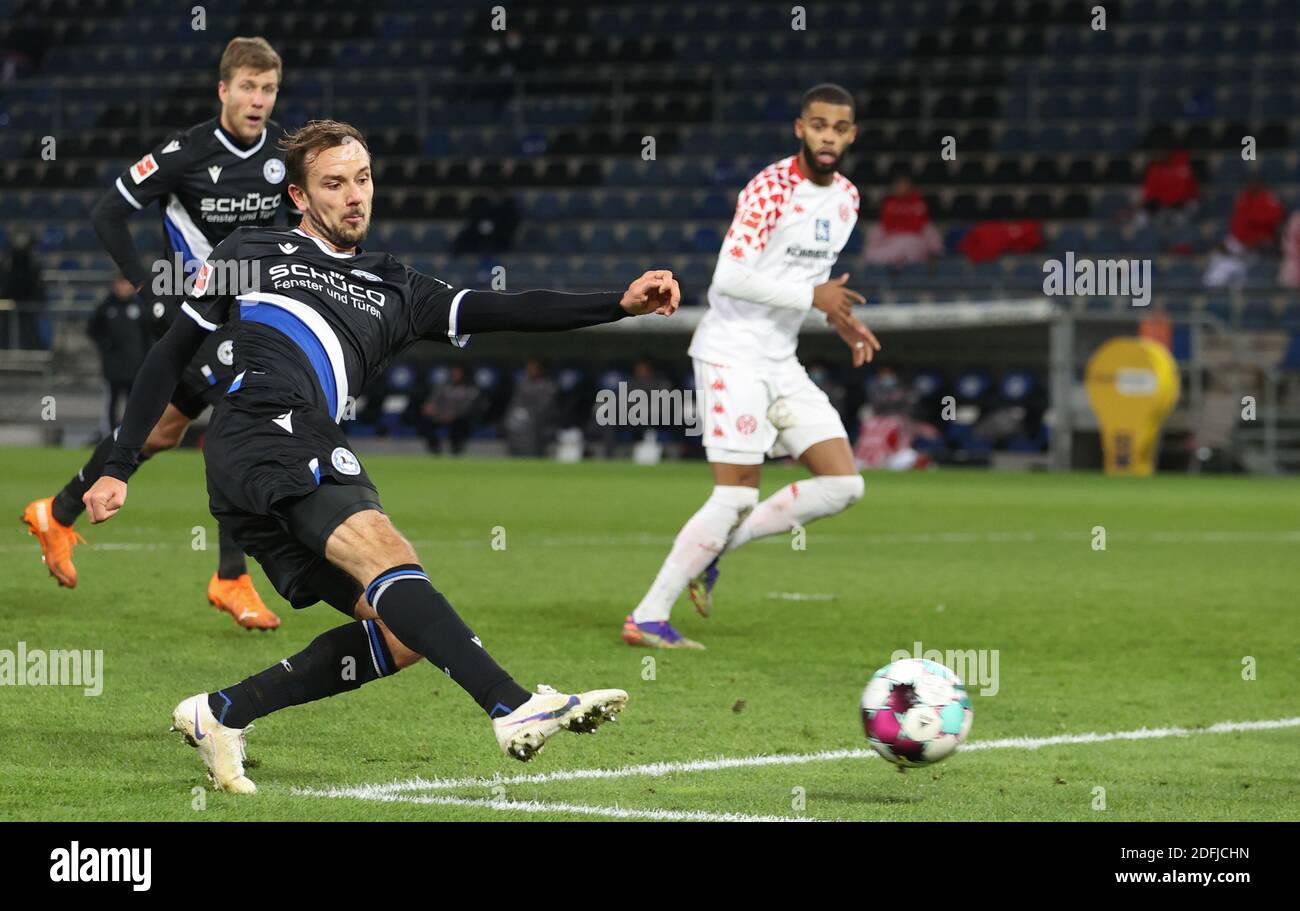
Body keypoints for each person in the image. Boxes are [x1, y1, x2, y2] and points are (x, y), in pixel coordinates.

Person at [82, 120, 680, 791]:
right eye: (334, 183)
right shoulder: (253, 249)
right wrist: (118, 464)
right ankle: (511, 705)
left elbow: (507, 307)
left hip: (283, 458)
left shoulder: (397, 287)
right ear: (301, 198)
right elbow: (169, 356)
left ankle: (221, 713)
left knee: (401, 630)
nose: (353, 195)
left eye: (362, 178)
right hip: (261, 431)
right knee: (389, 555)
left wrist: (618, 304)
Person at [20, 36, 287, 630]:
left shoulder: (280, 155)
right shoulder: (186, 151)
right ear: (224, 90)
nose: (258, 100)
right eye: (247, 87)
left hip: (242, 310)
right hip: (193, 312)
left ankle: (58, 510)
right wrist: (149, 287)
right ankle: (231, 576)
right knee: (243, 420)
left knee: (161, 431)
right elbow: (107, 212)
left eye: (268, 89)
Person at [622, 83, 880, 650]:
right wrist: (815, 299)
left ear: (852, 134)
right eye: (818, 125)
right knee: (736, 495)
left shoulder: (848, 200)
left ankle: (713, 552)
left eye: (839, 127)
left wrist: (833, 313)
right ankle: (647, 617)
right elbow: (730, 278)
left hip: (780, 358)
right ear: (800, 128)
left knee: (843, 484)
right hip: (731, 352)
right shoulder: (771, 187)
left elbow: (800, 281)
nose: (828, 136)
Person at [88, 275, 151, 434]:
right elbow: (92, 330)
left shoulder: (140, 306)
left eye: (126, 283)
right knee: (111, 402)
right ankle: (108, 436)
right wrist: (104, 343)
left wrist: (147, 357)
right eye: (120, 283)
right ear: (114, 285)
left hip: (135, 366)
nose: (123, 287)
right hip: (113, 367)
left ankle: (131, 435)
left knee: (134, 403)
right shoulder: (106, 306)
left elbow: (149, 335)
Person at [863, 173, 942, 266]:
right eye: (897, 184)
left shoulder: (918, 202)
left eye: (903, 184)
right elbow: (884, 226)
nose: (899, 187)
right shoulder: (890, 203)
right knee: (870, 253)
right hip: (892, 239)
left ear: (909, 186)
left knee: (908, 247)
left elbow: (922, 226)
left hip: (913, 239)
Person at [419, 363, 483, 454]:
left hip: (459, 418)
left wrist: (453, 415)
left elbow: (468, 408)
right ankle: (434, 449)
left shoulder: (471, 389)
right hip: (440, 416)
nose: (454, 375)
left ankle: (456, 451)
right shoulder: (444, 386)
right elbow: (432, 401)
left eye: (458, 373)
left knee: (460, 424)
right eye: (453, 372)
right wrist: (431, 408)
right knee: (426, 422)